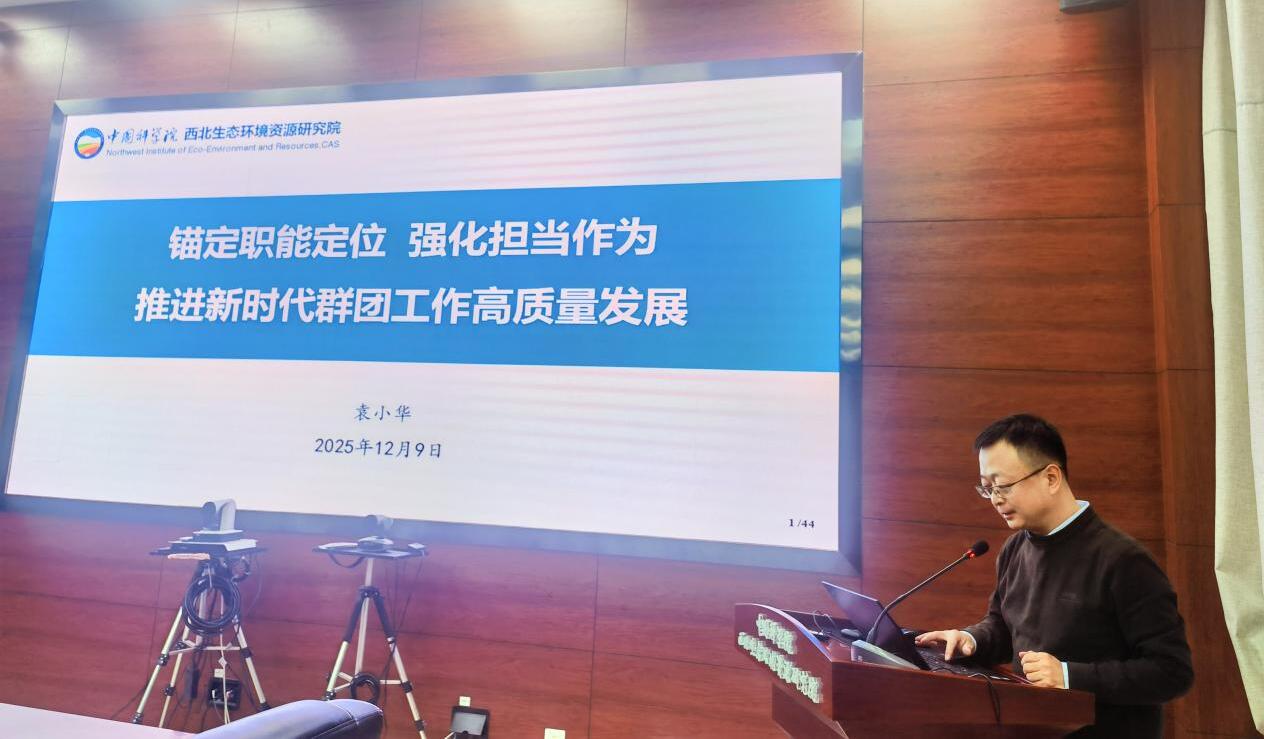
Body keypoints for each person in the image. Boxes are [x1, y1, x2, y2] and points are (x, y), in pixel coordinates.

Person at [914, 414, 1193, 738]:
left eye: (1003, 486)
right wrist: (971, 640)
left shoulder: (1123, 561)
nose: (995, 499)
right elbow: (1005, 627)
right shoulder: (1015, 549)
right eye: (987, 488)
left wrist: (1069, 676)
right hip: (1032, 727)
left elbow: (1172, 671)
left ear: (1050, 478)